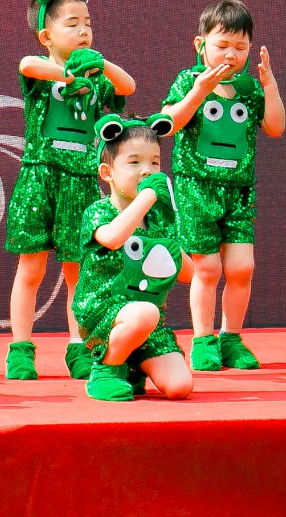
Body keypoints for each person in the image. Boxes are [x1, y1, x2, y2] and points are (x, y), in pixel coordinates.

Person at [5, 0, 137, 381]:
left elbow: (128, 86)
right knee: (31, 268)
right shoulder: (41, 72)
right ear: (46, 35)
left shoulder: (98, 78)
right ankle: (20, 350)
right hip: (39, 178)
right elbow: (27, 65)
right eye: (73, 23)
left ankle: (78, 346)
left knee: (76, 270)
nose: (83, 31)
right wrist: (67, 76)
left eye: (88, 23)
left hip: (80, 182)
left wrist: (100, 65)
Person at [160, 0, 286, 372]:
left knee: (242, 267)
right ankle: (203, 340)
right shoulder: (188, 80)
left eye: (240, 47)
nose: (231, 55)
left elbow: (276, 127)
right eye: (222, 45)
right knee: (208, 269)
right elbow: (167, 123)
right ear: (200, 45)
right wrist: (199, 92)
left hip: (239, 192)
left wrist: (270, 85)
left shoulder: (249, 88)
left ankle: (231, 338)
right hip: (196, 189)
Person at [71, 114, 195, 402]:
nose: (147, 171)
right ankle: (106, 369)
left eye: (155, 163)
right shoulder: (99, 212)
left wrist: (170, 232)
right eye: (135, 162)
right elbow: (114, 238)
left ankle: (132, 366)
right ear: (107, 172)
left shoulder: (157, 219)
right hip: (104, 313)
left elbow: (187, 274)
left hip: (148, 324)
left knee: (180, 386)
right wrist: (147, 198)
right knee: (144, 313)